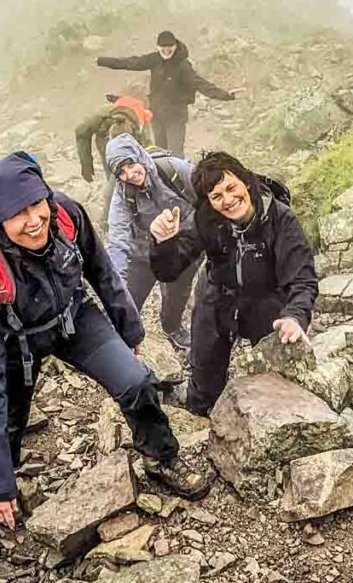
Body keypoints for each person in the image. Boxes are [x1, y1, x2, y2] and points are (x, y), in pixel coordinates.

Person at [0, 152, 210, 530]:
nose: (34, 219)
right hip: (15, 343)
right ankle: (1, 486)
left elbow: (100, 269)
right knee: (9, 418)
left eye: (36, 203)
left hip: (74, 319)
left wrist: (130, 330)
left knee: (137, 381)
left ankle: (162, 459)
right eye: (17, 214)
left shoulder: (65, 215)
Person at [148, 151, 319, 416]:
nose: (228, 200)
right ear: (209, 201)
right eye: (217, 196)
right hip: (216, 297)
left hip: (266, 301)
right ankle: (200, 421)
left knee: (276, 378)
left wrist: (295, 316)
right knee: (204, 379)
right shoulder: (207, 218)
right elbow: (169, 270)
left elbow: (302, 278)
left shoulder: (279, 218)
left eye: (231, 187)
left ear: (246, 181)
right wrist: (163, 243)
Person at [105, 133, 200, 352]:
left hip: (182, 249)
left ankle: (172, 329)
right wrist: (115, 283)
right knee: (129, 300)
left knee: (177, 295)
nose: (129, 174)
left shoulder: (174, 170)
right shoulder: (122, 198)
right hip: (143, 255)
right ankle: (119, 340)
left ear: (139, 155)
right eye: (121, 171)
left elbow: (208, 191)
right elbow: (118, 242)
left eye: (129, 164)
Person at [96, 31, 241, 157]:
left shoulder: (183, 66)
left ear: (175, 45)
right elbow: (130, 63)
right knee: (160, 152)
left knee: (176, 154)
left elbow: (201, 84)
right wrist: (101, 61)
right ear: (158, 47)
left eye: (170, 47)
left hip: (176, 117)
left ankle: (180, 186)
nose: (166, 50)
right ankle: (163, 185)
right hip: (157, 115)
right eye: (163, 47)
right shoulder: (154, 59)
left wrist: (227, 95)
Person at [74, 94, 153, 223]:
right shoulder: (102, 115)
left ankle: (127, 213)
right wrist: (86, 163)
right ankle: (110, 220)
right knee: (115, 180)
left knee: (122, 179)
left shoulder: (141, 122)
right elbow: (81, 131)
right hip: (104, 143)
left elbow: (148, 147)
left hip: (129, 143)